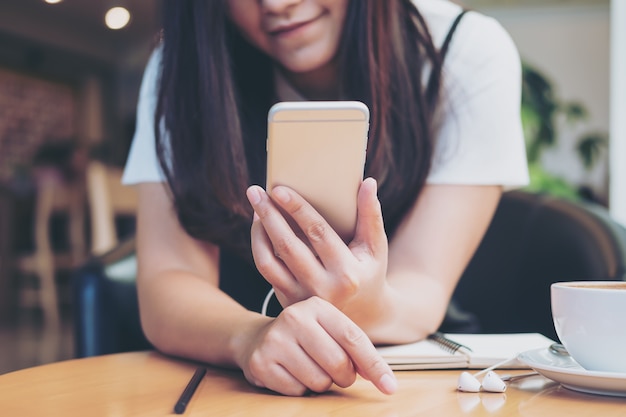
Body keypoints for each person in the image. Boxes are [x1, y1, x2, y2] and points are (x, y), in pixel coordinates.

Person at [122, 0, 528, 397]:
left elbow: (422, 282)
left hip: (406, 373)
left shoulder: (463, 50)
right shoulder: (183, 66)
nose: (277, 5)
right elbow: (168, 281)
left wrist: (370, 304)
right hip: (242, 385)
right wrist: (249, 337)